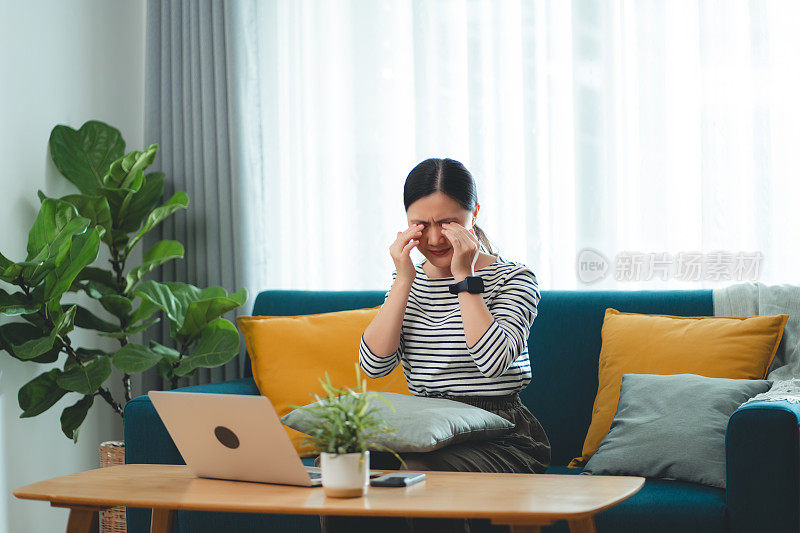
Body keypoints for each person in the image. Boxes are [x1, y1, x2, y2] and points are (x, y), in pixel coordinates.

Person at [315, 157, 551, 533]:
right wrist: (404, 280)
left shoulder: (514, 279)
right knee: (346, 466)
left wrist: (464, 276)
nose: (436, 238)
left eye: (449, 223)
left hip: (502, 433)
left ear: (474, 213)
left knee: (418, 477)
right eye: (421, 224)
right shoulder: (407, 280)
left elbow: (492, 362)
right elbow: (374, 366)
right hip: (425, 429)